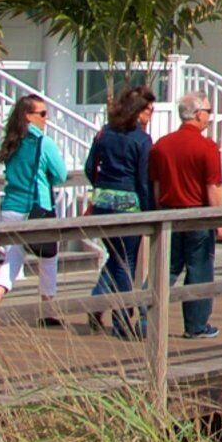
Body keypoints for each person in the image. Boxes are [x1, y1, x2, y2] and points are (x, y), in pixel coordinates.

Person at [146, 92, 222, 339]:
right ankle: (196, 325)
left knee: (167, 267)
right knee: (199, 270)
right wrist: (220, 222)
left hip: (169, 214)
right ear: (197, 114)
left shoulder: (161, 145)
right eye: (208, 113)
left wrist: (159, 212)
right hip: (198, 215)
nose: (209, 118)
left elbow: (157, 184)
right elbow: (213, 187)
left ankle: (141, 313)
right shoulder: (207, 147)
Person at [0, 94, 72, 327]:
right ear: (29, 116)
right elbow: (60, 174)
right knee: (49, 257)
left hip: (11, 207)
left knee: (13, 257)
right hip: (37, 208)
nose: (46, 119)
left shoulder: (12, 141)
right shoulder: (43, 143)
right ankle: (47, 308)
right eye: (43, 114)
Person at [85, 85, 159, 337]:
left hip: (103, 202)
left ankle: (97, 302)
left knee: (116, 258)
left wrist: (100, 187)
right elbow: (143, 179)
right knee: (126, 262)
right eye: (148, 111)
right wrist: (149, 209)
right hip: (129, 204)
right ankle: (122, 321)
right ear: (137, 112)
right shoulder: (141, 139)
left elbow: (89, 167)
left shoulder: (104, 133)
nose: (150, 115)